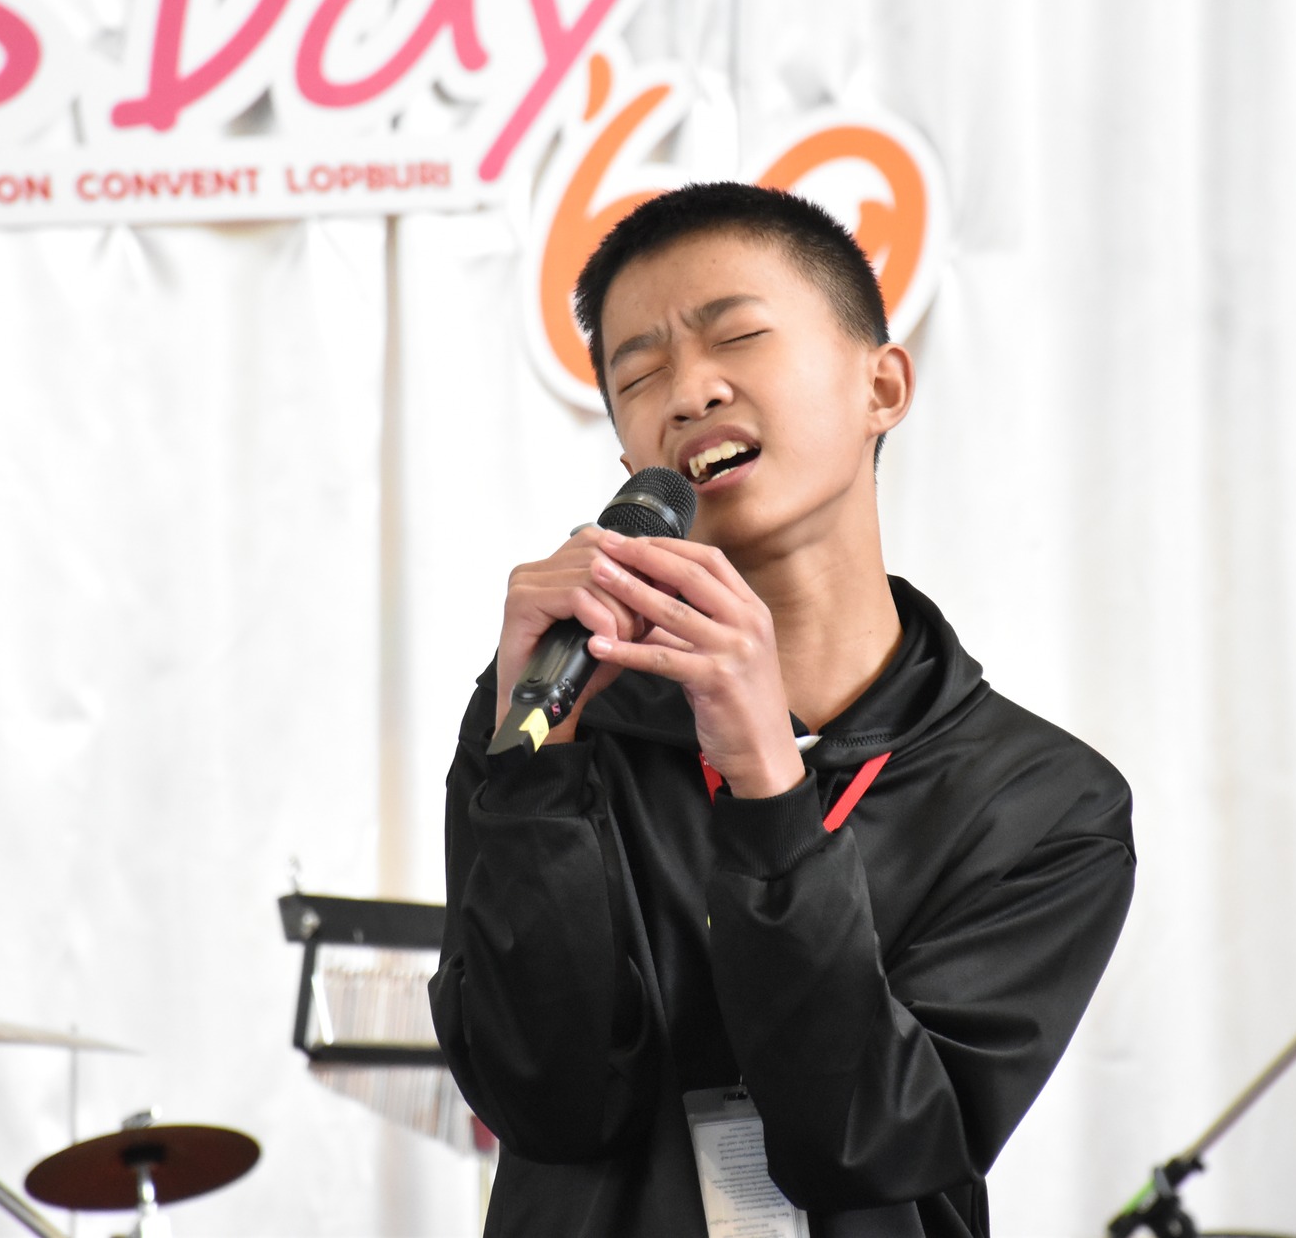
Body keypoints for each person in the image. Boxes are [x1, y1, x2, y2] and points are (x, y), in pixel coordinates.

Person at [429, 182, 1135, 1238]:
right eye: (639, 375)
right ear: (629, 462)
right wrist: (534, 771)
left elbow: (870, 1140)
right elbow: (544, 1100)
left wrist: (768, 781)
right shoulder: (551, 717)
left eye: (738, 337)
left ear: (881, 385)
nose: (689, 391)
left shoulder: (1042, 800)